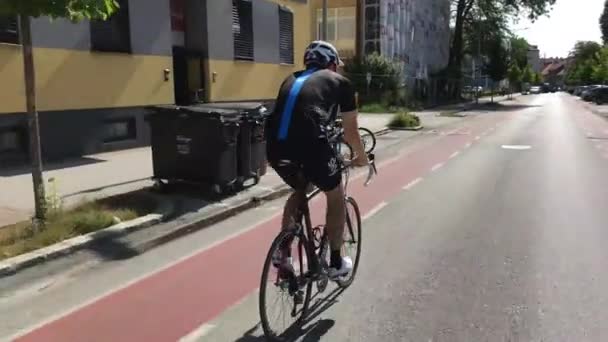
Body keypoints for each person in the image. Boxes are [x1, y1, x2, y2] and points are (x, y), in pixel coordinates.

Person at [265, 41, 369, 279]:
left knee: (300, 190)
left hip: (275, 148)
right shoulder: (341, 83)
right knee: (336, 195)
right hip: (310, 146)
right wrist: (361, 158)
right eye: (337, 66)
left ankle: (284, 253)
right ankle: (335, 262)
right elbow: (352, 133)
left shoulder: (291, 78)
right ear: (332, 64)